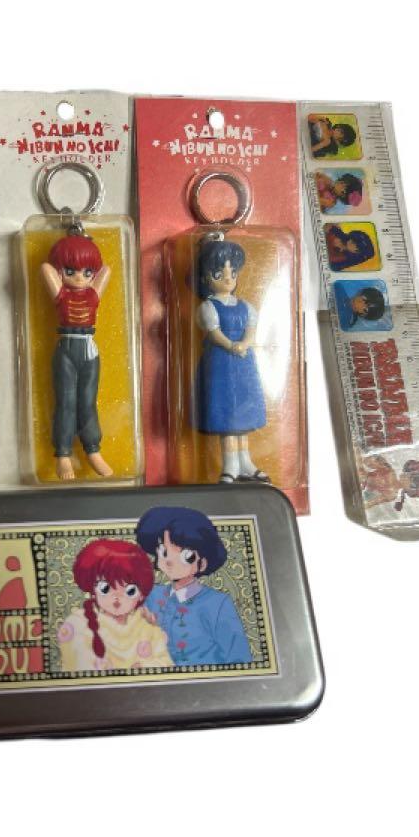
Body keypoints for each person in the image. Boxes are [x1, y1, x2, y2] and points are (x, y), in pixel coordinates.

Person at [135, 506, 252, 666]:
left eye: (186, 556)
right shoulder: (152, 595)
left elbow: (239, 657)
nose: (170, 561)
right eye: (164, 552)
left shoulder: (218, 604)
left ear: (202, 563)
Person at [194, 236, 268, 485]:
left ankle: (245, 461)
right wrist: (231, 345)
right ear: (206, 278)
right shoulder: (208, 307)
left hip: (244, 364)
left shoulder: (245, 306)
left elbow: (251, 329)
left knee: (243, 415)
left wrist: (244, 344)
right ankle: (230, 465)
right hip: (221, 365)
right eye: (219, 273)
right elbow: (213, 333)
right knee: (227, 415)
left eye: (232, 272)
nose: (227, 278)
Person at [40, 234, 112, 480]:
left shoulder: (92, 296)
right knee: (66, 403)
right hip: (66, 351)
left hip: (89, 350)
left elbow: (106, 270)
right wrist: (64, 257)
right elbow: (46, 268)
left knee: (88, 402)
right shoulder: (61, 295)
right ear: (61, 272)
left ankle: (93, 450)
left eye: (87, 272)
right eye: (72, 271)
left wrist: (85, 247)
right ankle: (63, 453)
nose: (80, 277)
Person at [56, 538, 171, 671]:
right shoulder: (78, 625)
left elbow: (165, 663)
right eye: (105, 588)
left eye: (130, 591)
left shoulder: (147, 626)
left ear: (141, 595)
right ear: (93, 589)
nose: (117, 597)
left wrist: (143, 667)